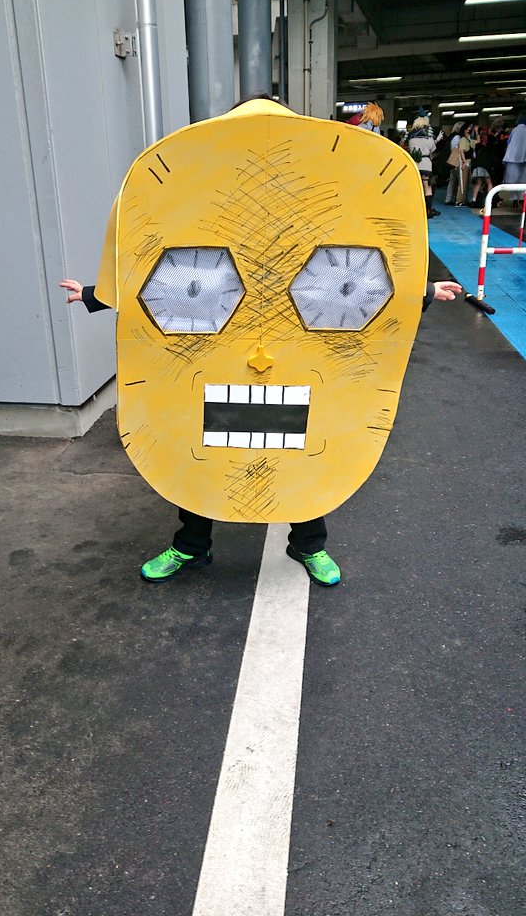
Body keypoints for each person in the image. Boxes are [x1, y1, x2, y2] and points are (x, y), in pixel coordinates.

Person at [61, 95, 462, 587]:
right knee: (203, 450)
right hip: (216, 362)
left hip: (302, 363)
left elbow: (359, 279)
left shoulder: (314, 212)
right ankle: (191, 546)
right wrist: (94, 294)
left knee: (306, 451)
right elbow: (160, 277)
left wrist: (422, 291)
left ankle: (308, 544)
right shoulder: (211, 215)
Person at [406, 111, 442, 218]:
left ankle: (416, 210)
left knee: (416, 187)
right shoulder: (428, 138)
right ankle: (428, 211)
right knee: (427, 187)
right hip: (426, 163)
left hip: (415, 164)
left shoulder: (411, 138)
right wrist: (437, 140)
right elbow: (433, 149)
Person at [502, 113, 526, 206]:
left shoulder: (514, 130)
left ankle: (514, 198)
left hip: (512, 157)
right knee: (523, 179)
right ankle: (522, 198)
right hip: (524, 157)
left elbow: (509, 142)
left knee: (512, 179)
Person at [469, 129, 496, 209]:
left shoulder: (478, 146)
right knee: (489, 182)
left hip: (477, 165)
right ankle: (489, 201)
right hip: (485, 166)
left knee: (478, 183)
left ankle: (473, 200)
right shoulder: (490, 147)